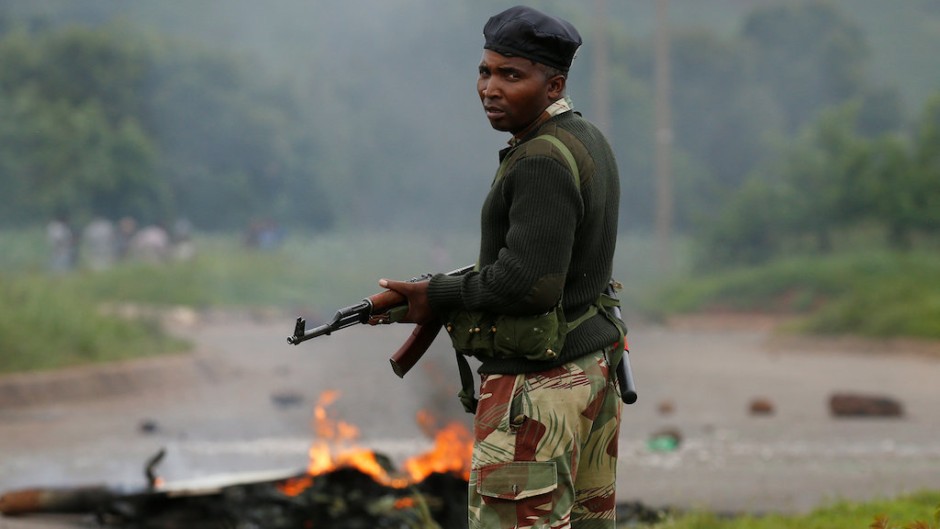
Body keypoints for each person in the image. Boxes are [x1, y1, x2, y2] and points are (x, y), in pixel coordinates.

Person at [379, 5, 625, 528]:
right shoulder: (586, 139)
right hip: (588, 370)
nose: (490, 87)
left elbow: (527, 283)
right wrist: (440, 289)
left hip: (536, 392)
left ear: (553, 85)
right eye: (485, 71)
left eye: (511, 75)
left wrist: (439, 294)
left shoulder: (539, 159)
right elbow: (537, 257)